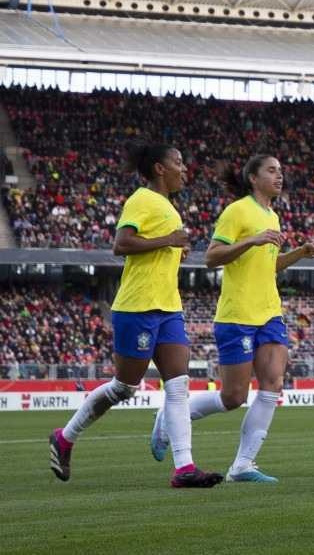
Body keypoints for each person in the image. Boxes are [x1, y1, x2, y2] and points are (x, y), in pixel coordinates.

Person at [50, 142, 222, 488]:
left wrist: (174, 246)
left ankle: (184, 468)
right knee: (124, 387)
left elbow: (159, 248)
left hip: (168, 306)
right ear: (159, 168)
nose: (184, 168)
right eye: (178, 161)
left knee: (178, 385)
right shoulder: (142, 199)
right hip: (138, 306)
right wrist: (168, 240)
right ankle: (65, 437)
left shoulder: (167, 206)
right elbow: (121, 245)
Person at [159, 154, 314, 483]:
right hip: (238, 314)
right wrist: (251, 239)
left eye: (281, 170)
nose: (279, 176)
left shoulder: (272, 216)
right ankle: (166, 418)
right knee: (234, 397)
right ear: (253, 178)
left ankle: (243, 464)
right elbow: (211, 257)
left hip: (270, 312)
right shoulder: (238, 211)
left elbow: (269, 266)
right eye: (272, 171)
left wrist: (300, 253)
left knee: (273, 383)